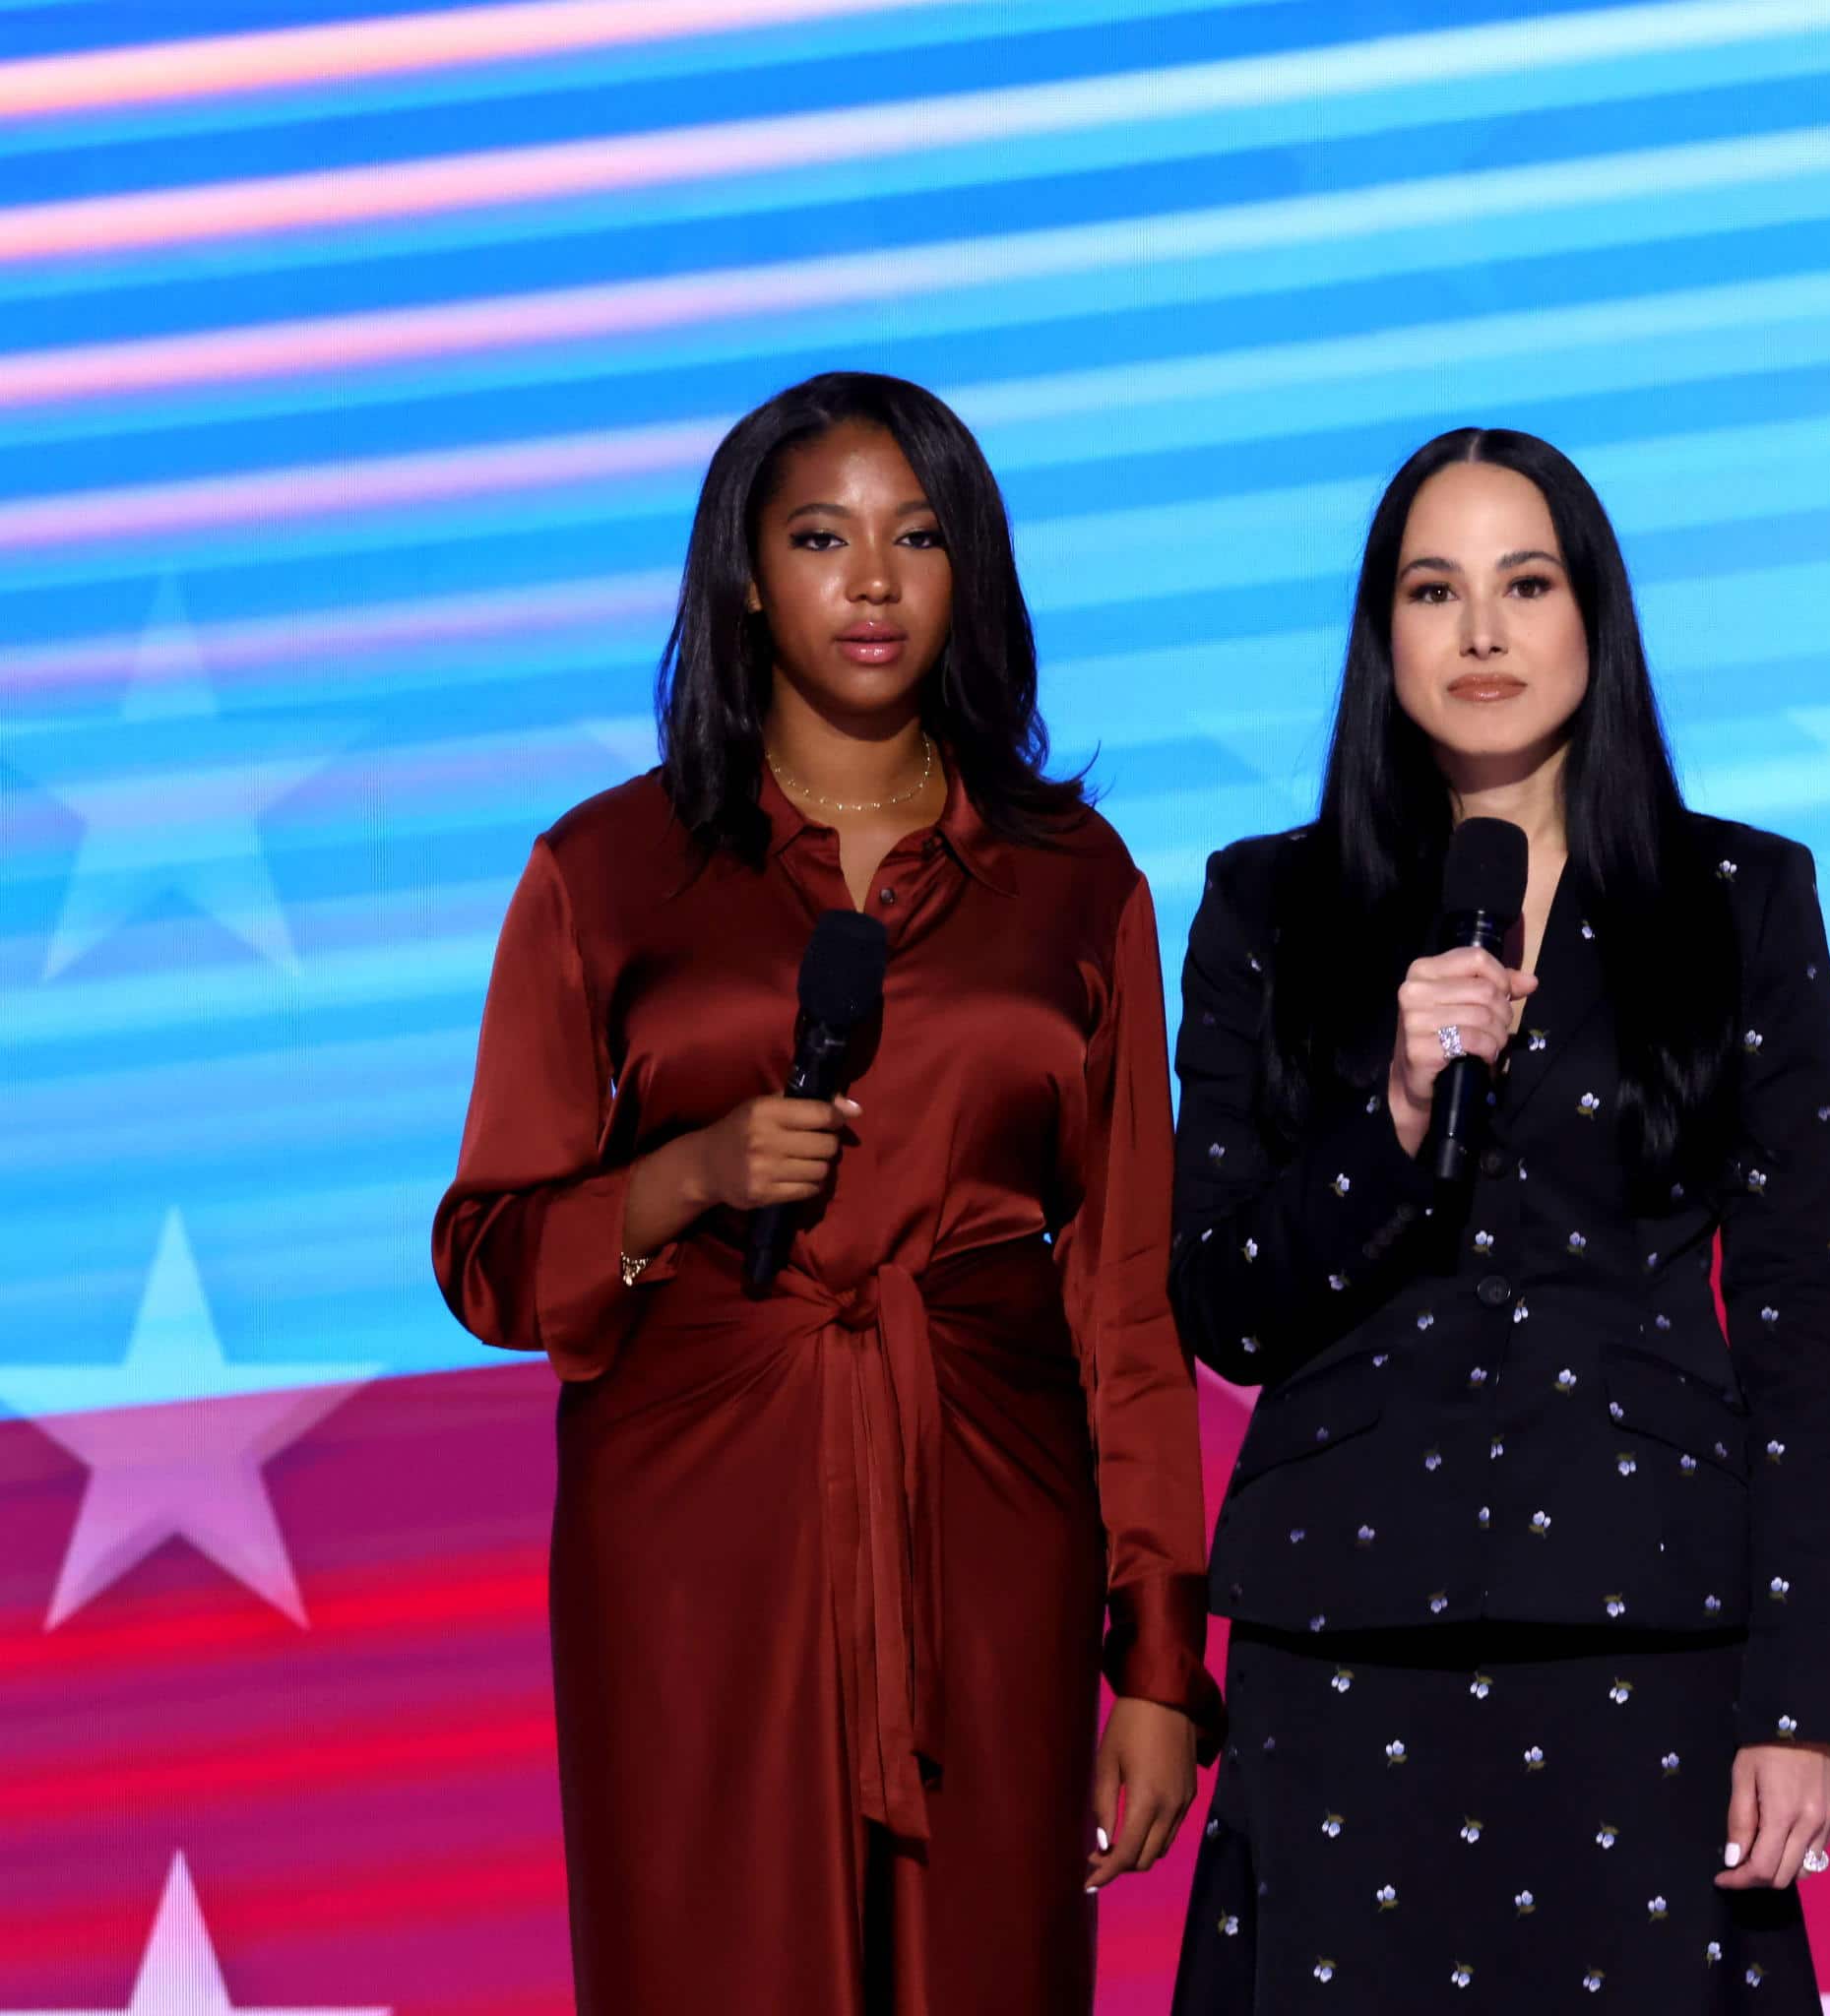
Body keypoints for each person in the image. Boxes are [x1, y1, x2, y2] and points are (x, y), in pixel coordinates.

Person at [430, 371, 1218, 2013]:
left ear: (970, 574)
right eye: (821, 538)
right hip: (696, 1531)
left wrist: (1158, 1662)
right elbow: (491, 1256)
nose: (872, 582)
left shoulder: (1079, 881)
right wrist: (679, 1181)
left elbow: (1126, 1299)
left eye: (917, 538)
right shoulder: (607, 868)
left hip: (992, 1516)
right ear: (743, 575)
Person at [1166, 427, 1830, 2010]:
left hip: (1649, 1629)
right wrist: (1397, 1118)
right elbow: (1221, 1299)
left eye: (1524, 583)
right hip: (1343, 1633)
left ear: (1592, 617)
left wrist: (1805, 1699)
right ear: (1384, 636)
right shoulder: (1268, 906)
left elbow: (1803, 1312)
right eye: (1435, 589)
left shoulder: (1740, 898)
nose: (1481, 634)